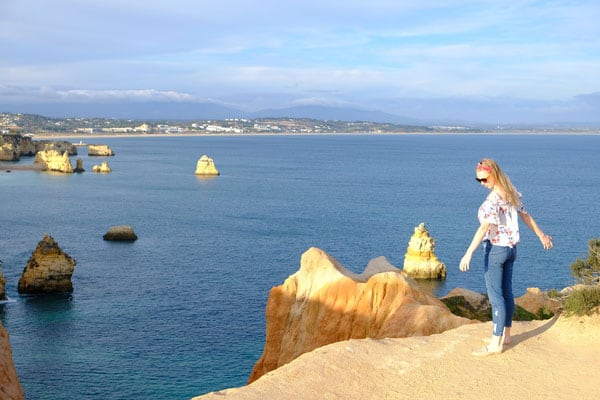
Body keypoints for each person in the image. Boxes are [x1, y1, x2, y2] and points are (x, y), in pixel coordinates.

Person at [459, 158, 553, 356]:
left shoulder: (492, 201)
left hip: (495, 251)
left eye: (484, 179)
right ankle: (506, 335)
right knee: (507, 292)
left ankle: (495, 343)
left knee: (496, 297)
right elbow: (525, 215)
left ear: (493, 174)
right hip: (511, 250)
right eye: (479, 181)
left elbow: (484, 227)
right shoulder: (510, 192)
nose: (482, 184)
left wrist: (468, 253)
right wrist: (541, 235)